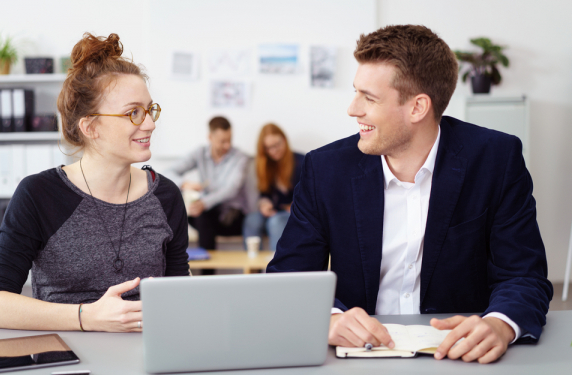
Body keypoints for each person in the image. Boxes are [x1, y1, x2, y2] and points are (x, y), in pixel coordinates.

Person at [267, 25, 553, 364]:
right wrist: (328, 319)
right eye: (355, 92)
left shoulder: (496, 159)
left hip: (460, 358)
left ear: (418, 107)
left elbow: (523, 275)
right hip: (355, 360)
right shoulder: (326, 169)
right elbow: (289, 279)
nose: (352, 109)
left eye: (368, 98)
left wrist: (500, 324)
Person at [0, 33, 189, 332]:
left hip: (147, 352)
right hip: (66, 351)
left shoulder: (166, 196)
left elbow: (180, 295)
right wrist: (87, 317)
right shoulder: (38, 194)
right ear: (90, 127)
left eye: (149, 110)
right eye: (133, 113)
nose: (150, 124)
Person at [167, 116, 249, 250]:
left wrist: (204, 203)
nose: (227, 145)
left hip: (231, 217)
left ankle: (206, 269)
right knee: (191, 212)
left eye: (229, 140)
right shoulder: (199, 153)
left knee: (201, 213)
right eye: (222, 141)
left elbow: (231, 189)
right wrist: (184, 183)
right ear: (210, 137)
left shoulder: (240, 158)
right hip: (207, 216)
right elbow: (167, 172)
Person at [243, 123, 304, 250]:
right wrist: (264, 204)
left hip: (294, 213)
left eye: (277, 145)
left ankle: (276, 268)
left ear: (284, 140)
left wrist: (296, 206)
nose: (273, 151)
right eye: (268, 148)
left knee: (276, 222)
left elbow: (311, 194)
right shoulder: (265, 165)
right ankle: (253, 267)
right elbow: (264, 193)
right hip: (274, 211)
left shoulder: (302, 162)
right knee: (251, 220)